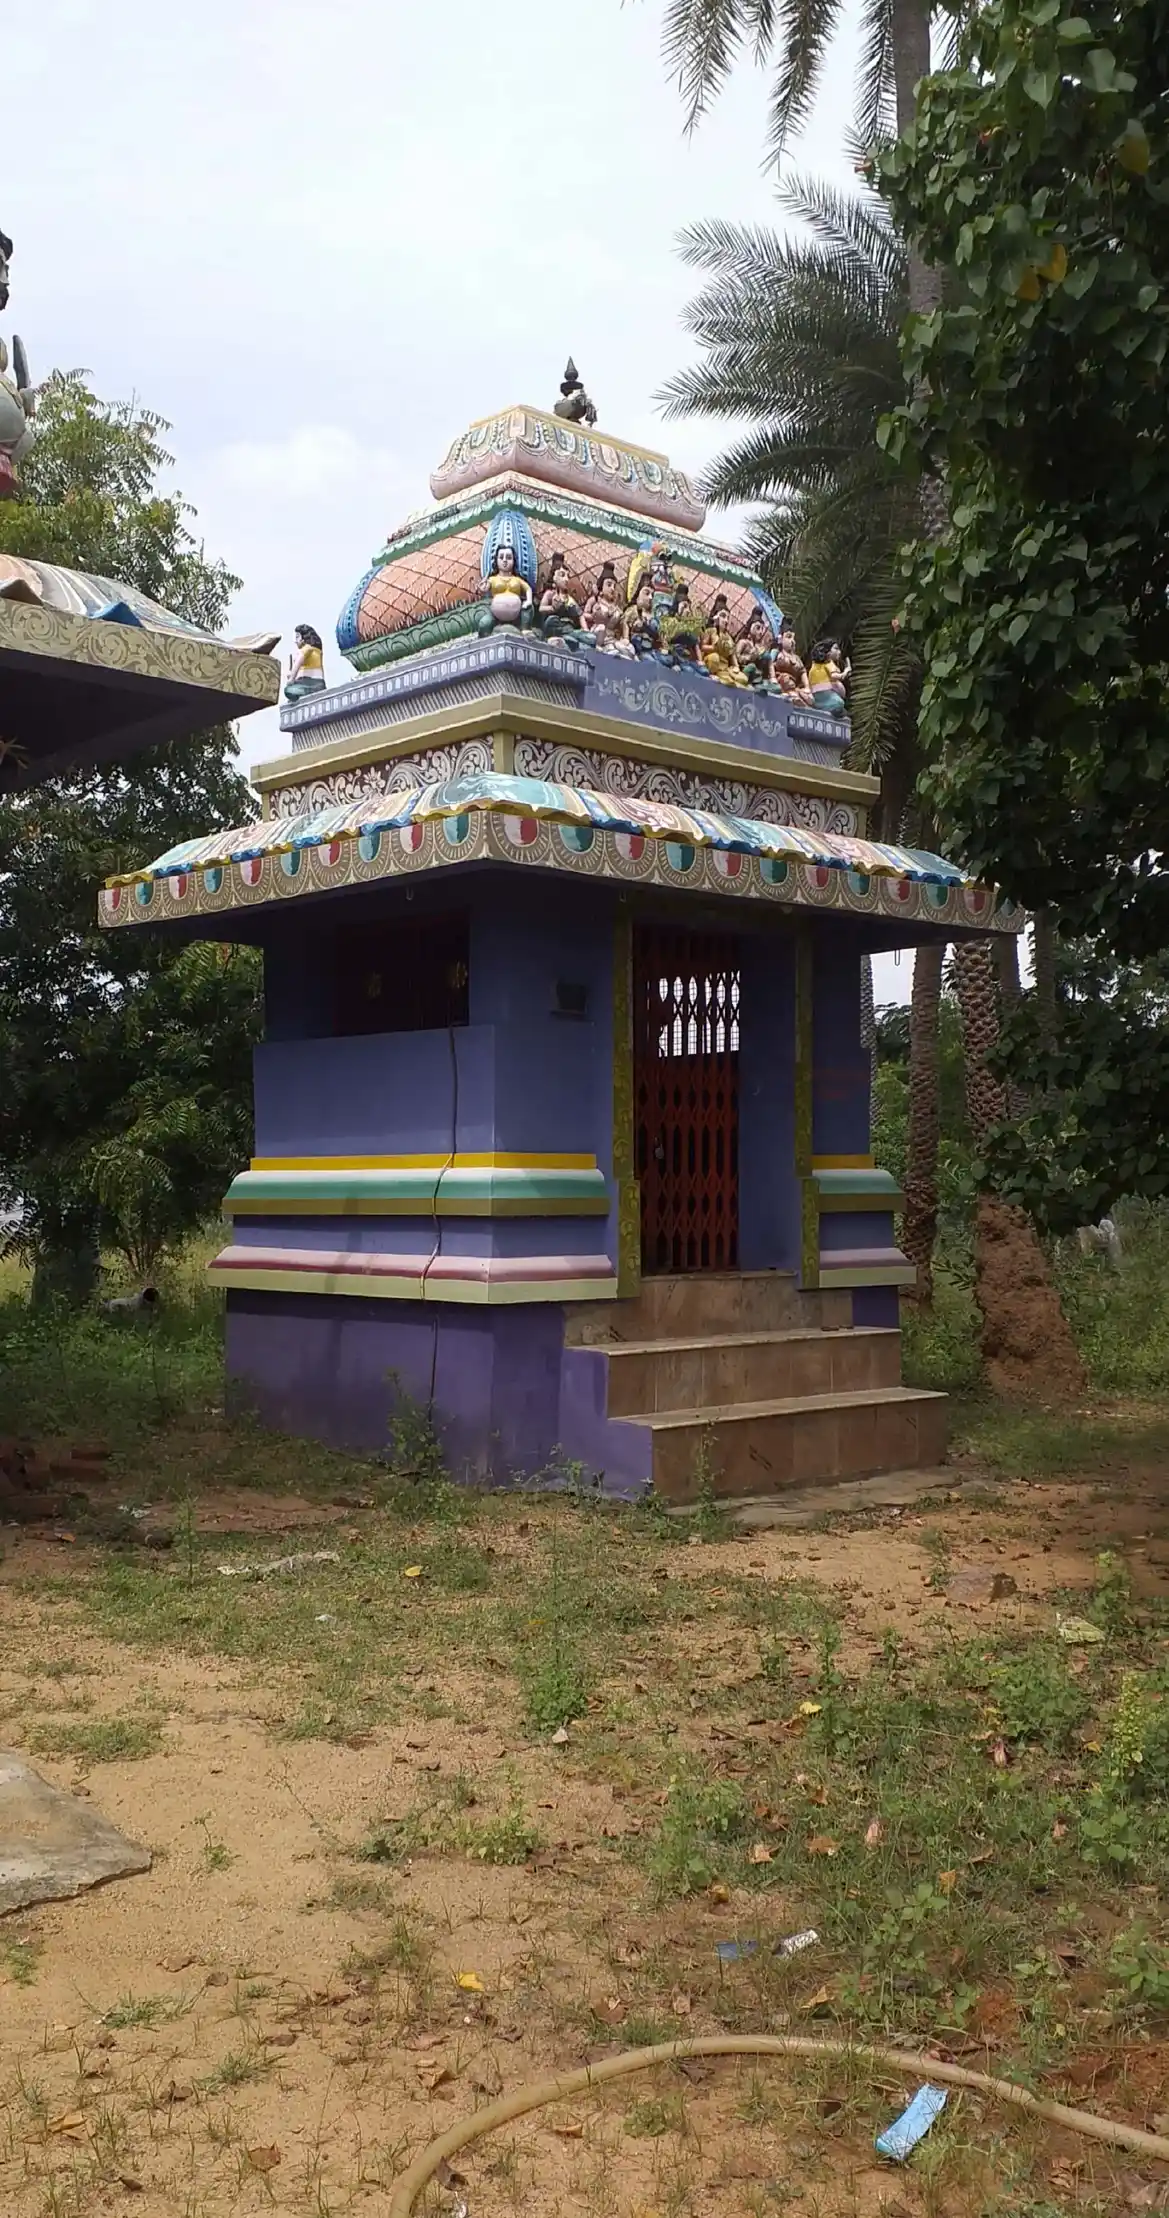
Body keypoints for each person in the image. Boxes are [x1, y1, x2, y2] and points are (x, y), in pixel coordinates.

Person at [479, 543, 534, 635]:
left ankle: (526, 630)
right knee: (484, 623)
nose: (505, 560)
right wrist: (483, 588)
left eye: (508, 557)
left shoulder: (517, 579)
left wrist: (529, 601)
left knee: (529, 608)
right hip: (496, 615)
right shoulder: (492, 579)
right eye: (501, 557)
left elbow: (528, 589)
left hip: (517, 615)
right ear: (496, 560)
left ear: (514, 561)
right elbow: (485, 588)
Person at [583, 564, 634, 655]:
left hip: (611, 638)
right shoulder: (595, 600)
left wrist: (626, 638)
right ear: (601, 586)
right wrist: (592, 618)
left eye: (614, 586)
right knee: (601, 628)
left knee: (629, 649)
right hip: (598, 633)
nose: (612, 589)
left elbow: (623, 623)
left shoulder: (616, 607)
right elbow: (583, 615)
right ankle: (600, 648)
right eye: (609, 585)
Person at [770, 622, 815, 706]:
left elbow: (803, 672)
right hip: (782, 681)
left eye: (793, 638)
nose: (792, 641)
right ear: (781, 639)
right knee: (786, 679)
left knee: (808, 696)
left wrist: (807, 687)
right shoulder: (777, 653)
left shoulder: (797, 658)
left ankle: (798, 695)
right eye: (788, 637)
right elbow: (770, 664)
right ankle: (792, 695)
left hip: (794, 684)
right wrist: (773, 678)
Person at [808, 639, 851, 715]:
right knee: (839, 703)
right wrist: (845, 673)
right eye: (836, 648)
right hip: (825, 693)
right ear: (828, 651)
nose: (839, 652)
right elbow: (834, 676)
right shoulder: (828, 662)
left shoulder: (815, 664)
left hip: (817, 693)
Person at [284, 624, 326, 701]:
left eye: (297, 637)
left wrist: (291, 679)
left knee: (288, 690)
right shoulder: (317, 651)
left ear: (304, 637)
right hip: (317, 683)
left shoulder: (307, 648)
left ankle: (309, 692)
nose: (295, 641)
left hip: (311, 684)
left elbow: (297, 664)